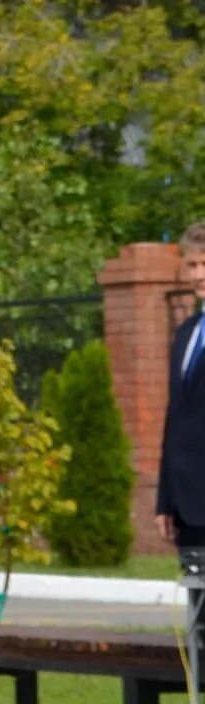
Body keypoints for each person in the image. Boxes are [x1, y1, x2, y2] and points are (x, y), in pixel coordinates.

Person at [155, 225, 205, 555]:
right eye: (192, 265)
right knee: (197, 602)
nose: (199, 274)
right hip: (188, 509)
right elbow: (176, 418)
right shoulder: (186, 333)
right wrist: (165, 500)